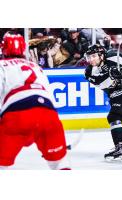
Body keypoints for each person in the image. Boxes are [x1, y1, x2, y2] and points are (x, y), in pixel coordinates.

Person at [0, 32, 70, 170]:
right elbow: (50, 98)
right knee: (60, 163)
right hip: (48, 115)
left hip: (16, 116)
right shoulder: (36, 67)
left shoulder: (2, 65)